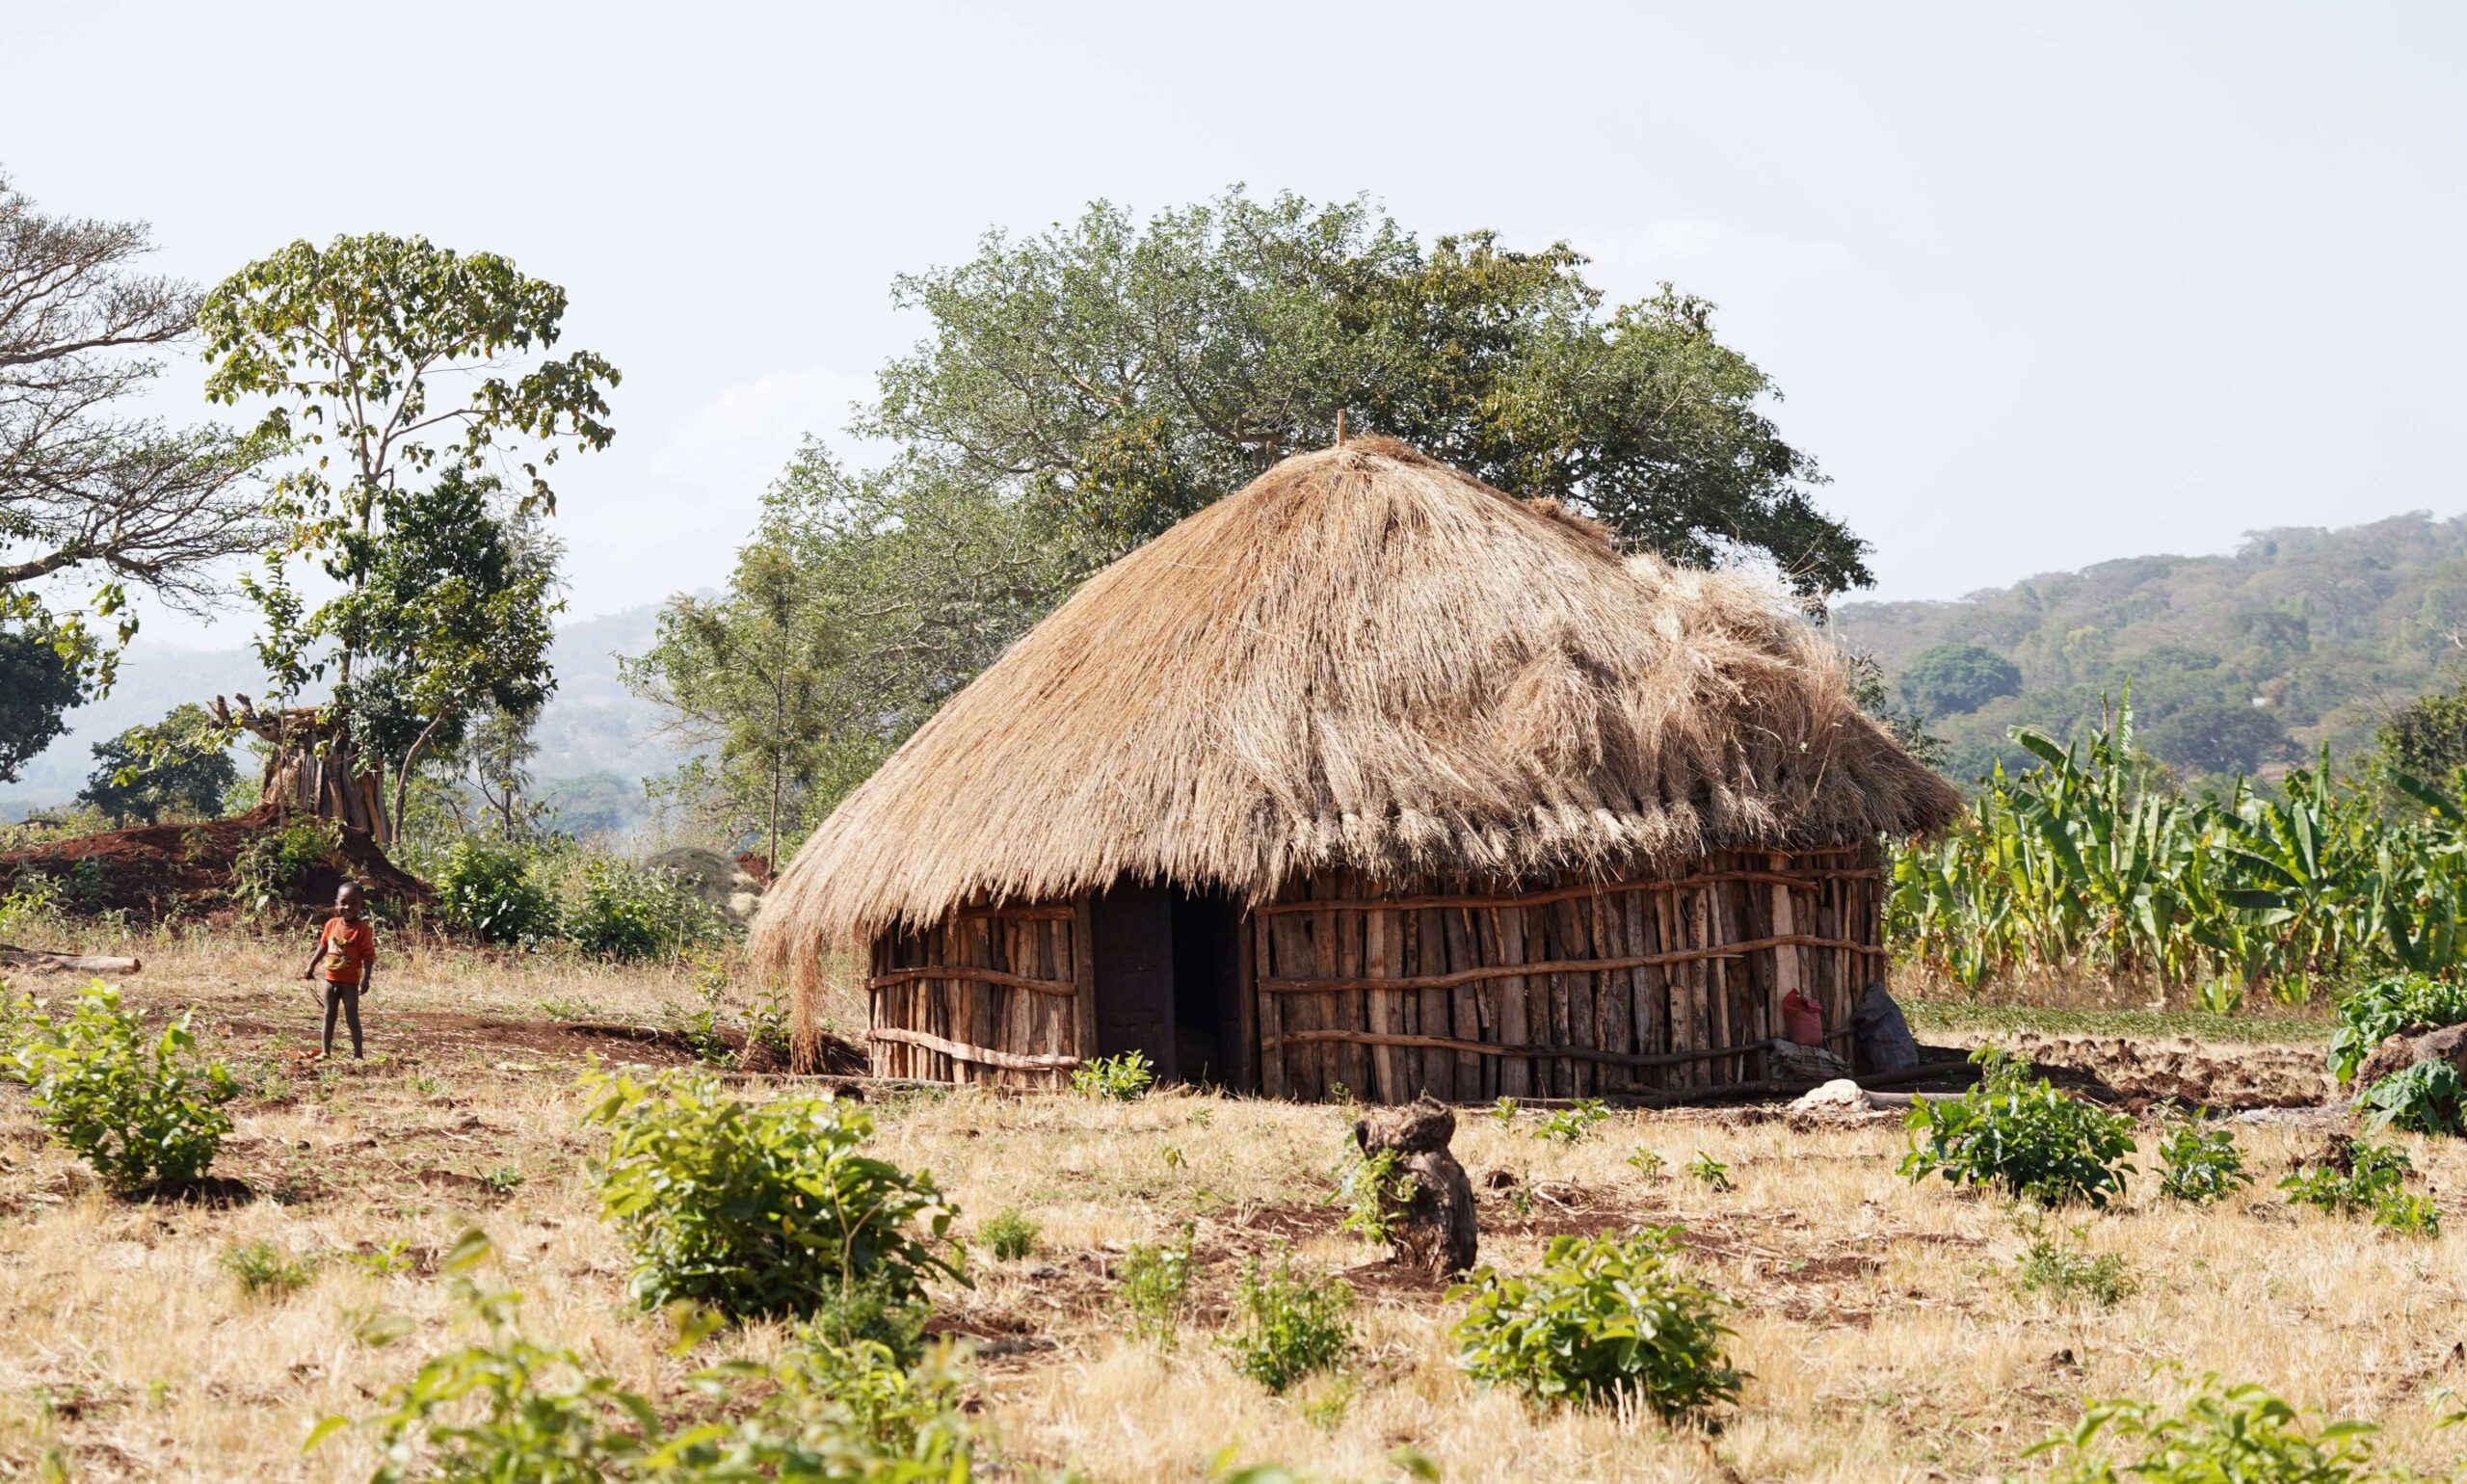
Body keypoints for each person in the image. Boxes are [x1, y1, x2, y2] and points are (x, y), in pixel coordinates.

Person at [301, 883, 377, 1059]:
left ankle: (358, 1055)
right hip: (330, 979)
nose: (348, 907)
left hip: (350, 981)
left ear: (361, 905)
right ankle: (326, 1051)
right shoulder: (331, 924)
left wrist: (366, 979)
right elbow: (323, 945)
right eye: (343, 902)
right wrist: (311, 965)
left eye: (353, 903)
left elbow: (368, 956)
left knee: (352, 1018)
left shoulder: (362, 929)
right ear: (336, 903)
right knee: (328, 1015)